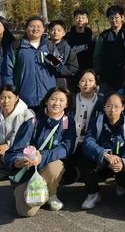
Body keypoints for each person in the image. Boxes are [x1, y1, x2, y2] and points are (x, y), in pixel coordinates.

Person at [4, 86, 75, 217]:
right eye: (53, 99)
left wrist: (42, 156)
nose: (56, 103)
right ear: (46, 100)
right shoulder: (33, 119)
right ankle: (26, 189)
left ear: (67, 104)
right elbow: (13, 152)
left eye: (61, 100)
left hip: (47, 167)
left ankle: (50, 193)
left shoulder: (67, 121)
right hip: (28, 170)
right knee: (25, 212)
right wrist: (18, 161)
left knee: (55, 166)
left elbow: (66, 148)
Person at [80, 92, 125, 210]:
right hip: (103, 161)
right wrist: (104, 154)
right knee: (84, 159)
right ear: (104, 107)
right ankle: (93, 193)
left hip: (119, 163)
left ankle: (122, 184)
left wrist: (123, 162)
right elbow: (88, 142)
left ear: (123, 107)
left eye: (116, 106)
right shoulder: (97, 121)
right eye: (109, 106)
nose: (112, 110)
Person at [1, 16, 57, 110]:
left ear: (43, 29)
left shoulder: (49, 46)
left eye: (39, 26)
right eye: (32, 26)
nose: (35, 29)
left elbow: (58, 67)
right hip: (24, 97)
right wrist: (10, 93)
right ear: (26, 28)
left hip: (48, 97)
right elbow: (7, 72)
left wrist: (49, 57)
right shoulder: (17, 46)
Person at [62, 70, 104, 185]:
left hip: (90, 141)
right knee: (67, 172)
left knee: (86, 166)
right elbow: (64, 119)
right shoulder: (70, 100)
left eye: (91, 81)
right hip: (71, 139)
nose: (87, 84)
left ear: (96, 84)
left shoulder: (101, 101)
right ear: (78, 83)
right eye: (83, 80)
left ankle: (93, 190)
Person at [0, 85, 35, 179]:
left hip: (18, 151)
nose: (6, 101)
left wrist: (8, 145)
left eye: (9, 97)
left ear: (17, 98)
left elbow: (25, 139)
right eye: (2, 97)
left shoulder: (26, 115)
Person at [93, 5, 125, 93]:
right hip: (107, 76)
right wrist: (97, 73)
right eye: (111, 18)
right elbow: (97, 55)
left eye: (116, 17)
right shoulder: (104, 35)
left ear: (122, 17)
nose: (114, 20)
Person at [47, 20, 79, 89]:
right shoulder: (43, 46)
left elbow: (73, 68)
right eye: (52, 30)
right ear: (48, 31)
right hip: (45, 78)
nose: (55, 32)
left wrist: (58, 68)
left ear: (64, 33)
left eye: (59, 30)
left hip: (61, 80)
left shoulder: (68, 48)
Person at [65, 8, 95, 80]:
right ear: (74, 20)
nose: (80, 20)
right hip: (70, 73)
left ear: (87, 20)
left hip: (87, 73)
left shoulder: (92, 37)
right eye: (77, 18)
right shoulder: (67, 37)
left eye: (83, 18)